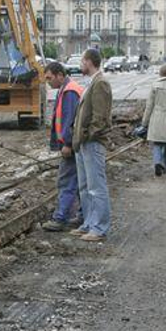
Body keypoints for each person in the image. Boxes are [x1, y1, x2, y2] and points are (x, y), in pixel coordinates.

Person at [71, 48, 113, 242]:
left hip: (92, 143)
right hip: (83, 143)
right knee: (85, 187)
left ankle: (99, 227)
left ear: (89, 62)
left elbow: (101, 117)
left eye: (82, 61)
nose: (81, 65)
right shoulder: (92, 83)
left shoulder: (100, 83)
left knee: (96, 187)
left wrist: (88, 135)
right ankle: (89, 223)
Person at [41, 61, 84, 232]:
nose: (48, 82)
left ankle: (61, 218)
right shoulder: (67, 89)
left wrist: (67, 143)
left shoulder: (69, 92)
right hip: (74, 145)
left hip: (71, 146)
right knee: (79, 181)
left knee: (66, 181)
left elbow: (69, 120)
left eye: (50, 78)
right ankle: (82, 215)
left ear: (60, 75)